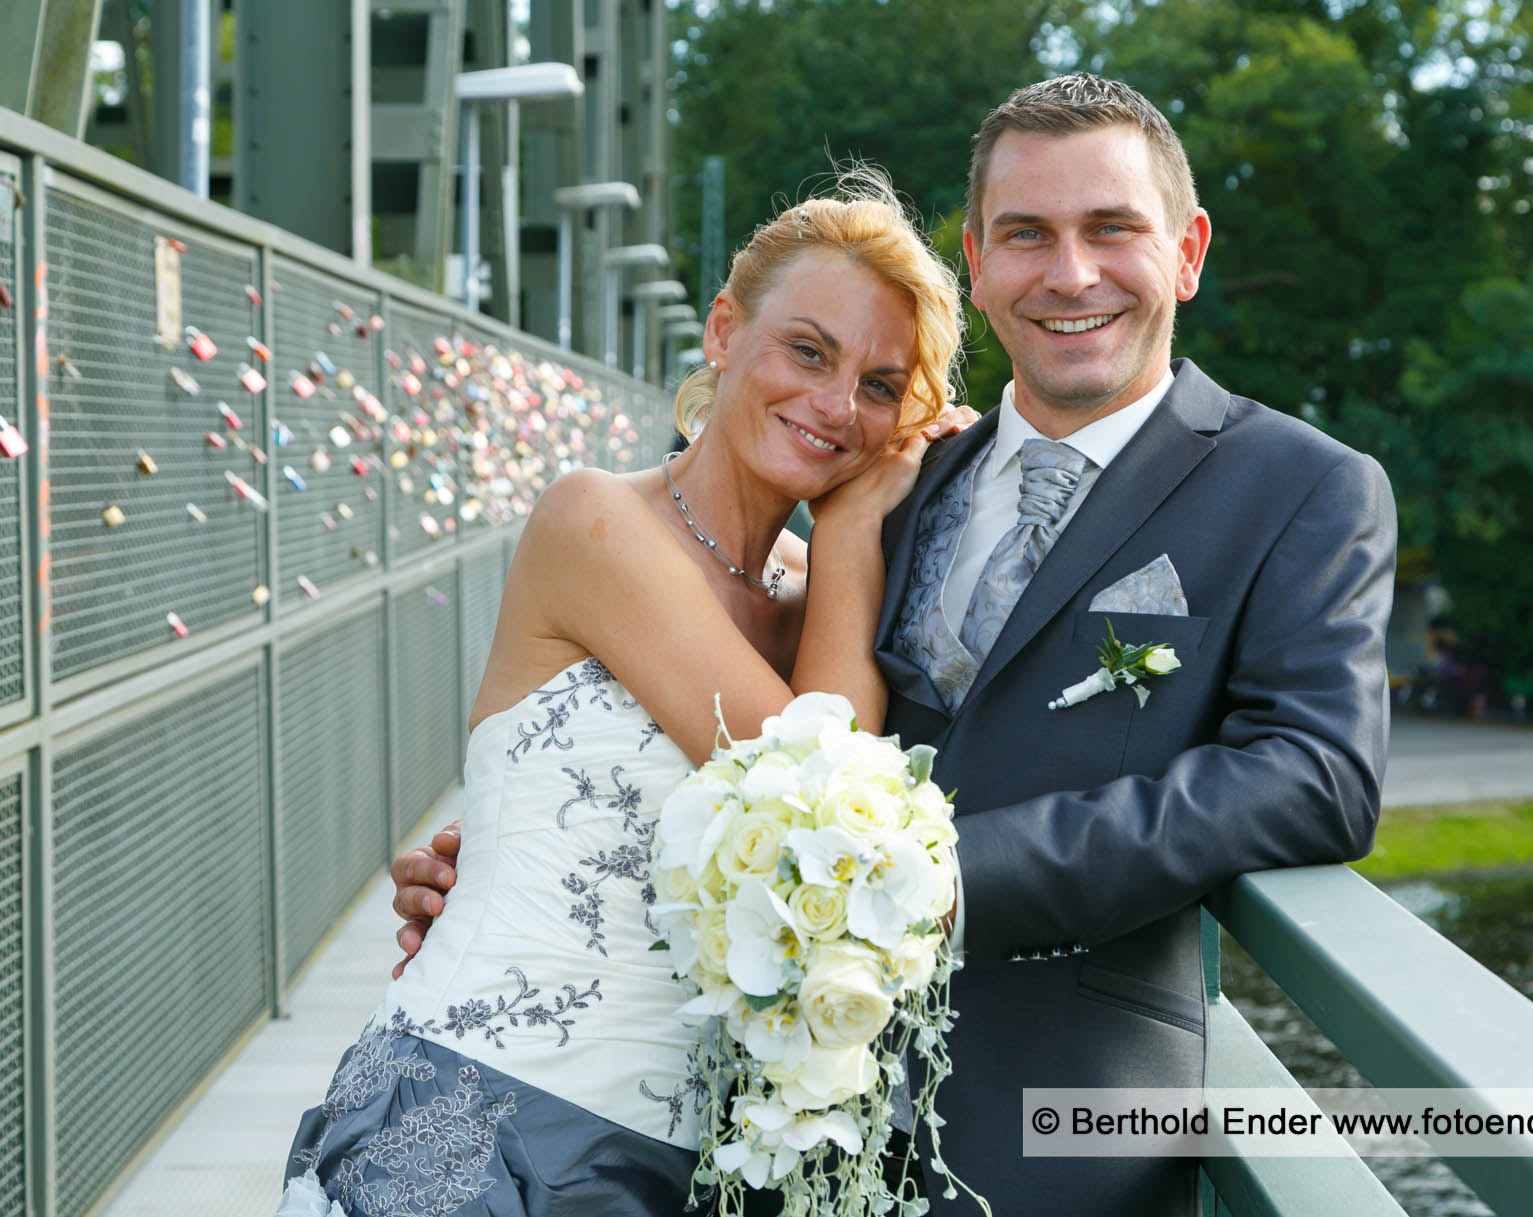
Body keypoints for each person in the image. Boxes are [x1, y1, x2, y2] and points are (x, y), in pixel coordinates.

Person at [395, 74, 1397, 1216]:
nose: (1069, 273)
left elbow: (1315, 776)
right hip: (746, 1146)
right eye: (1026, 234)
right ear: (977, 258)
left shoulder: (1300, 487)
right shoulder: (884, 494)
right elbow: (748, 747)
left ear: (1186, 250)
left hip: (1058, 1142)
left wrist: (938, 883)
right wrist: (530, 846)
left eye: (1110, 228)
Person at [277, 175, 968, 1217]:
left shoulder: (811, 601)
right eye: (809, 351)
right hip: (475, 1120)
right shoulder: (593, 521)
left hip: (693, 1172)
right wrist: (862, 525)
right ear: (724, 331)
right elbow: (813, 814)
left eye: (880, 385)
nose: (835, 405)